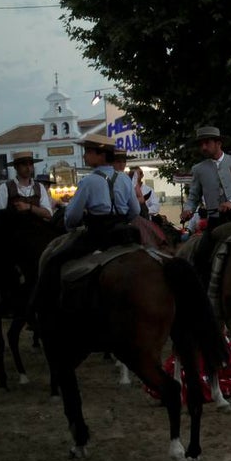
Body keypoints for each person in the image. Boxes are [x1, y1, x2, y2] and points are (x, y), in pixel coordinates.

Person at [33, 134, 138, 322]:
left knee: (53, 261)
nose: (85, 156)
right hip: (123, 234)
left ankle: (41, 310)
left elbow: (72, 217)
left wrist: (71, 224)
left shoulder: (88, 181)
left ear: (101, 155)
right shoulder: (124, 179)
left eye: (88, 152)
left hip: (97, 235)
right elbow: (135, 210)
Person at [179, 125, 231, 284]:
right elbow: (193, 196)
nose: (203, 147)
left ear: (218, 143)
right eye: (201, 144)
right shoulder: (198, 169)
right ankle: (206, 297)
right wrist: (188, 210)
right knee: (200, 256)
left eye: (207, 143)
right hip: (215, 222)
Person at [0, 151, 53, 219]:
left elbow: (48, 214)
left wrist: (29, 207)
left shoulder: (40, 187)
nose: (28, 168)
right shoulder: (4, 188)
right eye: (24, 164)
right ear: (16, 167)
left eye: (30, 164)